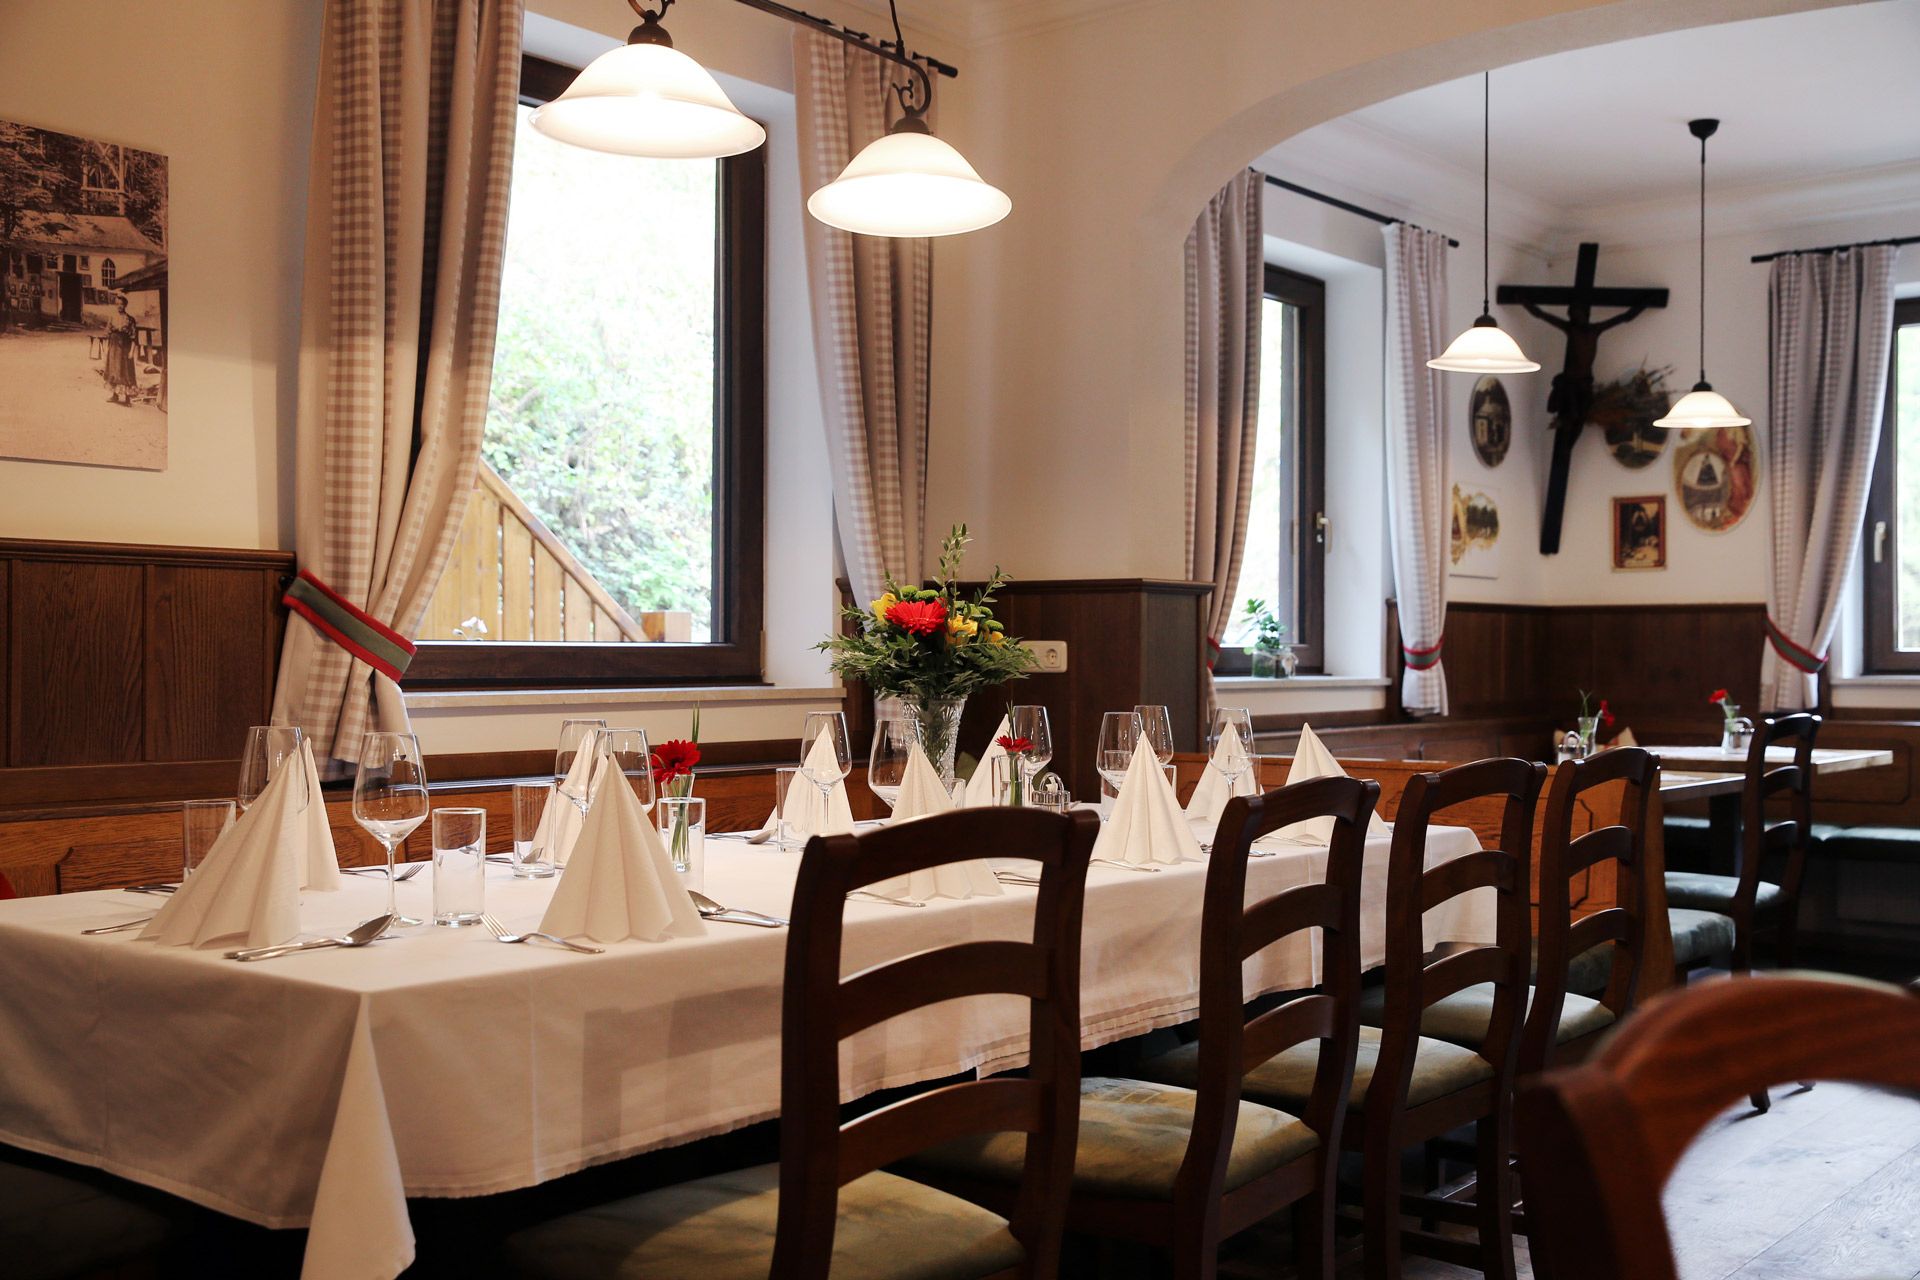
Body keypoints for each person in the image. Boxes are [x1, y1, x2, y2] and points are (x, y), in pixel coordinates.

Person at [103, 293, 138, 405]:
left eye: (121, 304)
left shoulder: (130, 319)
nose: (119, 306)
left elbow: (133, 337)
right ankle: (115, 395)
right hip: (114, 348)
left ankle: (128, 398)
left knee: (126, 371)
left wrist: (131, 351)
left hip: (125, 348)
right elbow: (107, 334)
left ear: (125, 305)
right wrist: (106, 350)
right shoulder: (112, 318)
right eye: (117, 304)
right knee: (114, 371)